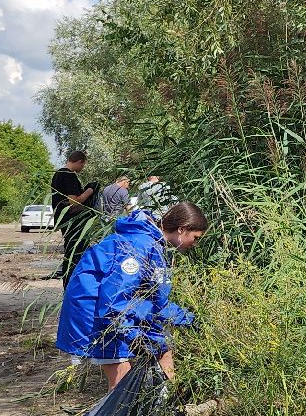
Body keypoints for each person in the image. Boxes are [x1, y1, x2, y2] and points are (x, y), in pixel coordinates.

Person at [56, 201, 208, 390]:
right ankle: (121, 410)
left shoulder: (155, 246)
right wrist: (136, 336)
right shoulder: (139, 245)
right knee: (122, 377)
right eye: (195, 237)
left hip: (117, 310)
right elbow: (114, 299)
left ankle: (167, 399)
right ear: (182, 229)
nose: (195, 244)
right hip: (97, 314)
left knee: (164, 348)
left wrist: (190, 320)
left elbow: (155, 303)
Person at [50, 150, 129, 284]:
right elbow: (74, 202)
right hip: (73, 222)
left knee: (70, 252)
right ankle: (73, 284)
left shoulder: (58, 174)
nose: (82, 168)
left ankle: (70, 283)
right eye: (83, 165)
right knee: (75, 253)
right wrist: (90, 190)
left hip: (65, 221)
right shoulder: (69, 175)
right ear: (80, 161)